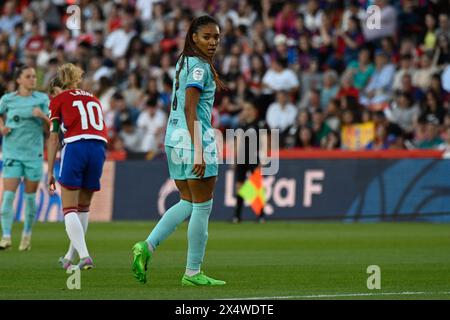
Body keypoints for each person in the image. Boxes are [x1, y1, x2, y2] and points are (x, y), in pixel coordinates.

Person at [131, 15, 226, 286]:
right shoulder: (199, 67)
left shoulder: (183, 61)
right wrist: (198, 150)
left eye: (216, 37)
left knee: (187, 202)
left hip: (173, 139)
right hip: (194, 140)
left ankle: (147, 246)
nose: (212, 42)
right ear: (194, 37)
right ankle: (193, 272)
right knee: (202, 207)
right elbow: (190, 107)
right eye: (207, 37)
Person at [46, 63, 108, 270]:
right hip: (99, 148)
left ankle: (85, 256)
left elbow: (54, 137)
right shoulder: (93, 98)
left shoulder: (59, 99)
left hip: (76, 146)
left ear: (58, 88)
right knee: (83, 207)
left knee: (69, 208)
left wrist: (49, 172)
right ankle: (70, 257)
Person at [0, 65, 49, 251]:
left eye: (34, 76)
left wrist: (42, 116)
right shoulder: (7, 99)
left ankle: (27, 235)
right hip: (12, 153)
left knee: (29, 198)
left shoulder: (42, 99)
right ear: (18, 80)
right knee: (8, 196)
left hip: (33, 155)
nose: (33, 80)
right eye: (28, 76)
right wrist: (2, 128)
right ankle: (5, 237)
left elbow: (53, 127)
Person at [232, 100, 269, 224]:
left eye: (248, 109)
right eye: (244, 109)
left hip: (254, 156)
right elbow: (237, 142)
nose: (245, 111)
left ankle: (261, 215)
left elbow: (265, 141)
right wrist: (234, 159)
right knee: (239, 186)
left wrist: (263, 158)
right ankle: (237, 216)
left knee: (256, 185)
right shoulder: (240, 124)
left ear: (254, 110)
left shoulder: (260, 123)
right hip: (242, 157)